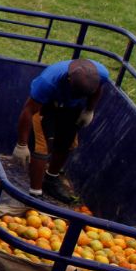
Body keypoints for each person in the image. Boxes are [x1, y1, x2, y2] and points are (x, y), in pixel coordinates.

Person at [12, 58, 109, 200]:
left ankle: (51, 179)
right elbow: (28, 110)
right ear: (69, 80)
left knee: (67, 143)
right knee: (42, 147)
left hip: (72, 107)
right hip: (46, 105)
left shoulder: (102, 74)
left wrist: (89, 110)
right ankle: (35, 193)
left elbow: (98, 89)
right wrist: (22, 144)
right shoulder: (47, 81)